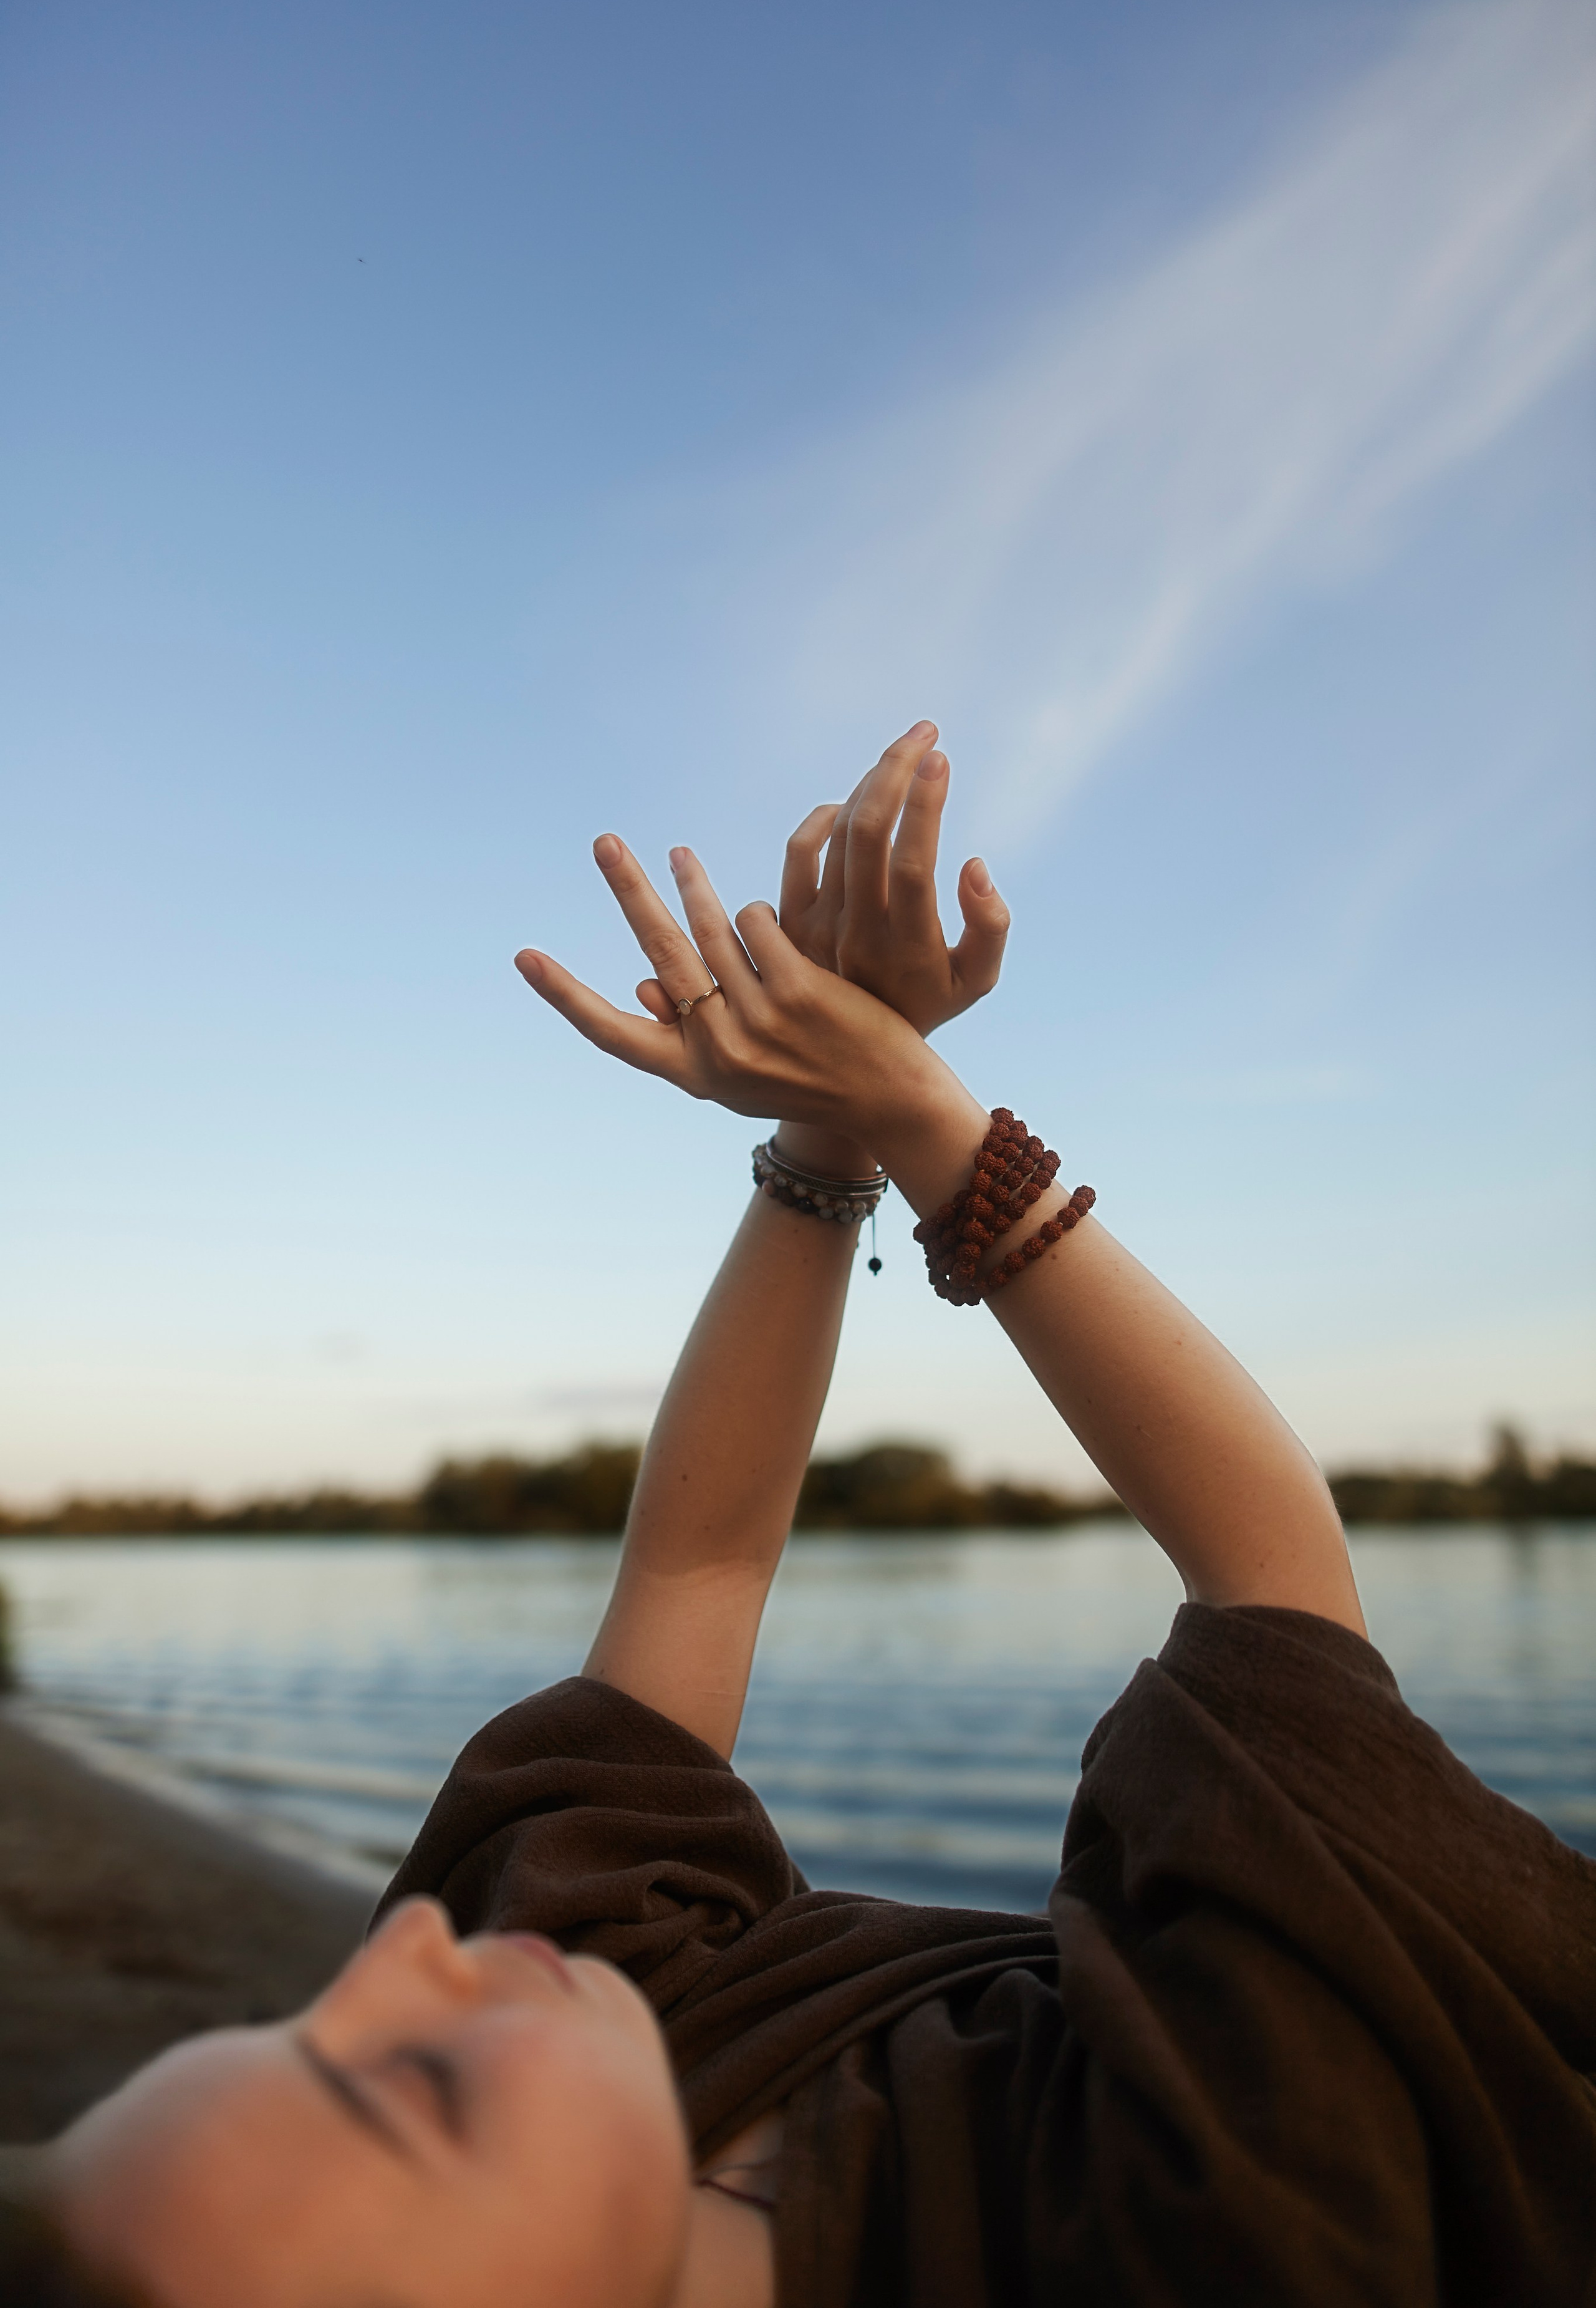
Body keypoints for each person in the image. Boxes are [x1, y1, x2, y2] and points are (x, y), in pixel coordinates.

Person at [6, 726, 1594, 2308]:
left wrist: (829, 1123)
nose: (404, 1959)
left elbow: (699, 1567)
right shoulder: (1218, 2227)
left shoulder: (595, 1999)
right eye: (405, 2090)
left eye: (296, 2030)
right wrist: (926, 1115)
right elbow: (1273, 1581)